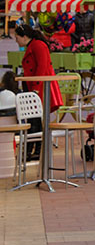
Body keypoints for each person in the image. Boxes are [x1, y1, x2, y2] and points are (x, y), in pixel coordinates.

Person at [15, 24, 63, 159]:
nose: (17, 41)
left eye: (17, 37)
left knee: (34, 121)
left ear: (24, 37)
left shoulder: (37, 45)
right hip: (35, 87)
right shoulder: (35, 45)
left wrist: (36, 87)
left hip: (38, 88)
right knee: (33, 121)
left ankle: (34, 151)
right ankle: (32, 151)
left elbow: (42, 67)